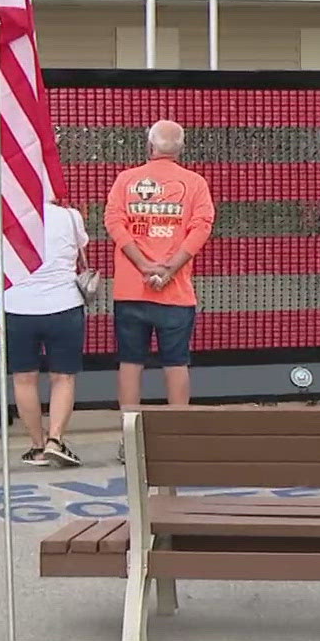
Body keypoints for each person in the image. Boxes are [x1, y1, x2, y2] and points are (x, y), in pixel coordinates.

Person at [105, 120, 215, 457]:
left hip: (131, 290)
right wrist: (170, 268)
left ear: (150, 146)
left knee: (130, 363)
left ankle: (130, 439)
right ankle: (179, 436)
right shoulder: (195, 183)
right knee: (176, 363)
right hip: (176, 292)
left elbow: (113, 222)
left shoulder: (126, 180)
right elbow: (201, 227)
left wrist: (142, 265)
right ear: (180, 150)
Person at [5, 199, 91, 467]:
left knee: (24, 379)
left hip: (18, 306)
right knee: (63, 378)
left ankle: (37, 446)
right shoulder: (70, 216)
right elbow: (81, 251)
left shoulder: (7, 216)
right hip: (64, 305)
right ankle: (56, 439)